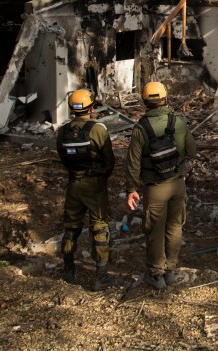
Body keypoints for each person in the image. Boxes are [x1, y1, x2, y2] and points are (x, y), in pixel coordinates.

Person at [125, 81, 196, 290]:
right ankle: (170, 270)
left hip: (154, 188)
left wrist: (131, 189)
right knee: (175, 226)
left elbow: (133, 162)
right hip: (177, 185)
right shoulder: (180, 122)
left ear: (145, 102)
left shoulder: (141, 128)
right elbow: (192, 151)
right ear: (165, 99)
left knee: (154, 230)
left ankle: (156, 275)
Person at [55, 88, 115, 291]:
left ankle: (69, 269)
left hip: (73, 184)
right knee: (99, 227)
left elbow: (63, 159)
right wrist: (101, 176)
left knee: (71, 226)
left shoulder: (62, 131)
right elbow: (109, 160)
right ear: (90, 107)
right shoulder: (97, 129)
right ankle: (101, 275)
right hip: (94, 185)